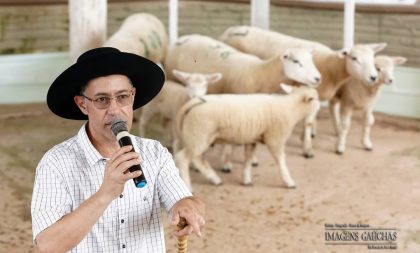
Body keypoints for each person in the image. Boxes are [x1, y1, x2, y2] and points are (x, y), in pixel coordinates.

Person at [31, 47, 205, 253]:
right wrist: (105, 194)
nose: (114, 110)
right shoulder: (55, 162)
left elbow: (187, 200)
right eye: (102, 100)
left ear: (133, 96)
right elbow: (48, 244)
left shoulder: (154, 152)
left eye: (122, 97)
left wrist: (187, 207)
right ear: (82, 104)